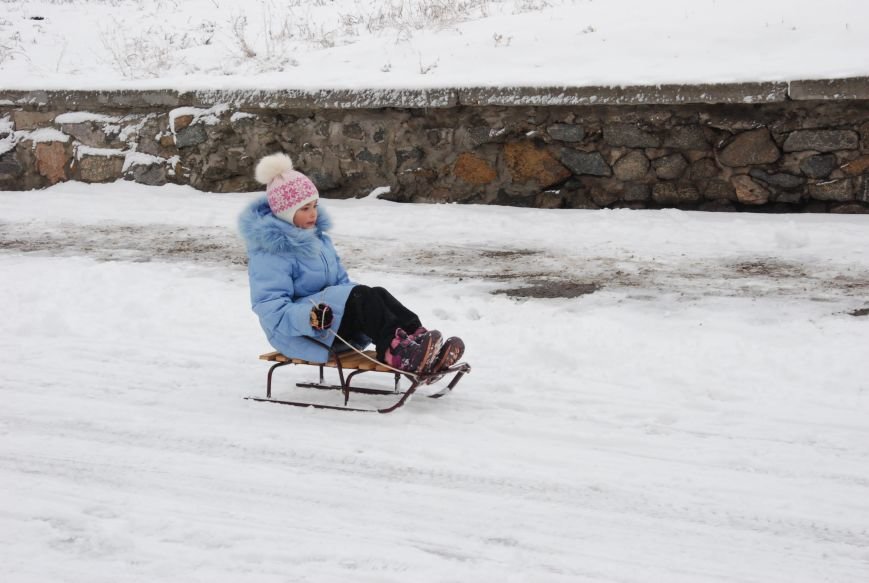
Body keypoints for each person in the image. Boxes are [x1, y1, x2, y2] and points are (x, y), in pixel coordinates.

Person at [238, 152, 464, 375]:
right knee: (362, 296)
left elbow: (341, 285)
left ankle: (418, 342)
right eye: (305, 209)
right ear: (285, 213)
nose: (313, 214)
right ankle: (397, 352)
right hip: (302, 334)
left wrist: (362, 299)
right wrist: (310, 318)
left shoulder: (318, 239)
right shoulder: (270, 253)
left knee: (376, 293)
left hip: (331, 328)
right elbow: (269, 308)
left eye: (315, 206)